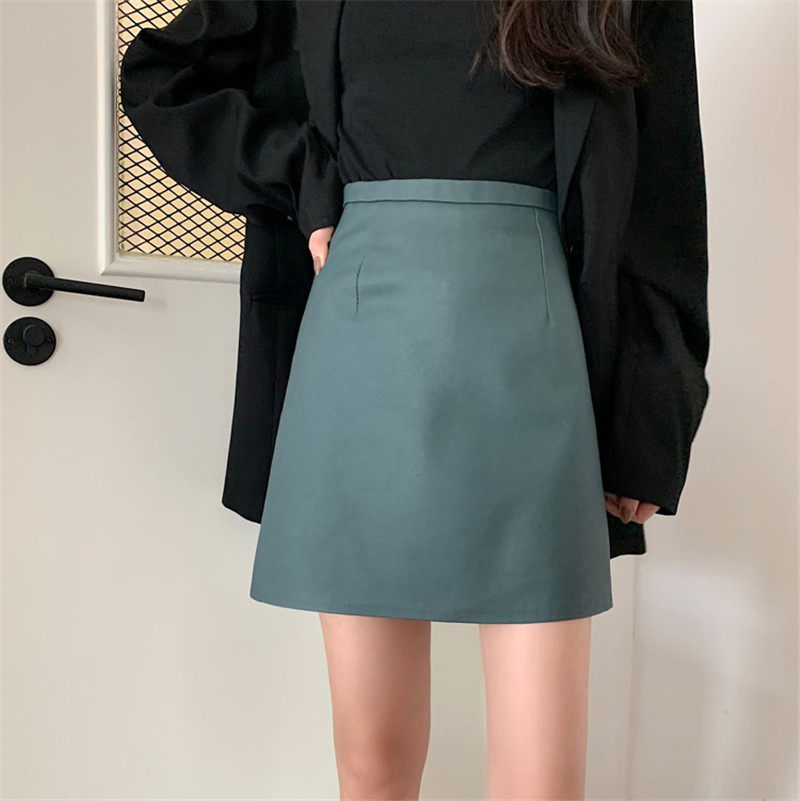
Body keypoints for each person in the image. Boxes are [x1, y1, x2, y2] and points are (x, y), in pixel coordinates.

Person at [120, 1, 709, 798]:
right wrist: (302, 176)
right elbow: (163, 76)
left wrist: (649, 420)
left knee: (542, 779)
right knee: (373, 761)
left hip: (538, 344)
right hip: (361, 329)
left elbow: (665, 194)